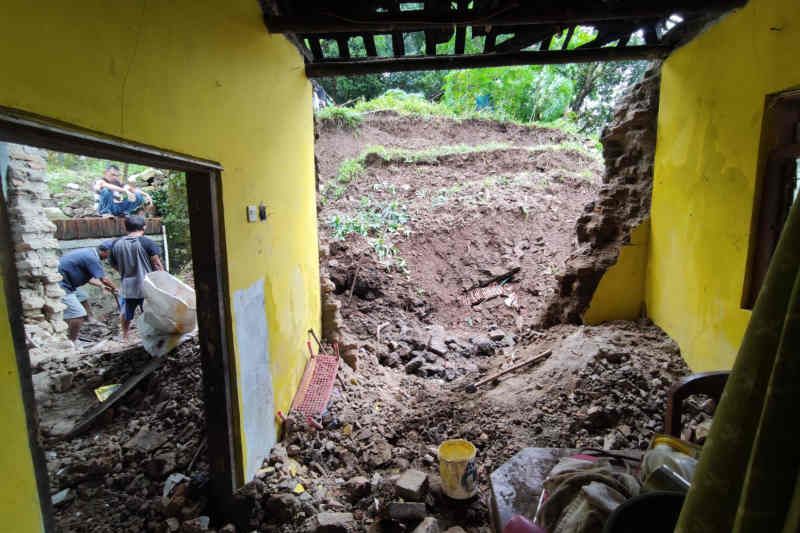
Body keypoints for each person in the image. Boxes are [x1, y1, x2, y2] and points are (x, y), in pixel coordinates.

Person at [109, 215, 164, 339]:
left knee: (126, 313)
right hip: (147, 286)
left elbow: (113, 264)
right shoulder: (147, 242)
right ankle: (153, 336)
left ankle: (125, 336)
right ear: (144, 227)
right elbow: (156, 264)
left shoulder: (116, 244)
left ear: (125, 227)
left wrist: (124, 272)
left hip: (127, 286)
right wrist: (163, 281)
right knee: (150, 311)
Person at [58, 242, 118, 345]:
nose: (111, 257)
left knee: (82, 296)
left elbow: (90, 278)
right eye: (112, 254)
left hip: (68, 284)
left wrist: (101, 286)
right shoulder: (92, 258)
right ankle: (72, 341)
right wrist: (116, 289)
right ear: (106, 251)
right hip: (61, 286)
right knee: (78, 314)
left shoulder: (89, 253)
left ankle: (89, 319)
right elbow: (104, 279)